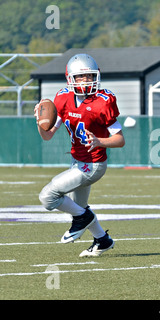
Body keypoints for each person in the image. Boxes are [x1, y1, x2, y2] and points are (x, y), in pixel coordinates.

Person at [34, 53, 125, 257]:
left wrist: (99, 141)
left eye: (90, 76)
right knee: (80, 207)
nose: (86, 81)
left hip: (93, 165)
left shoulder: (103, 102)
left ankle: (82, 218)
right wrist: (40, 124)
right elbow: (48, 136)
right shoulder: (63, 98)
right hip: (77, 162)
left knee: (48, 196)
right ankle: (103, 240)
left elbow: (120, 139)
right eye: (81, 77)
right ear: (70, 78)